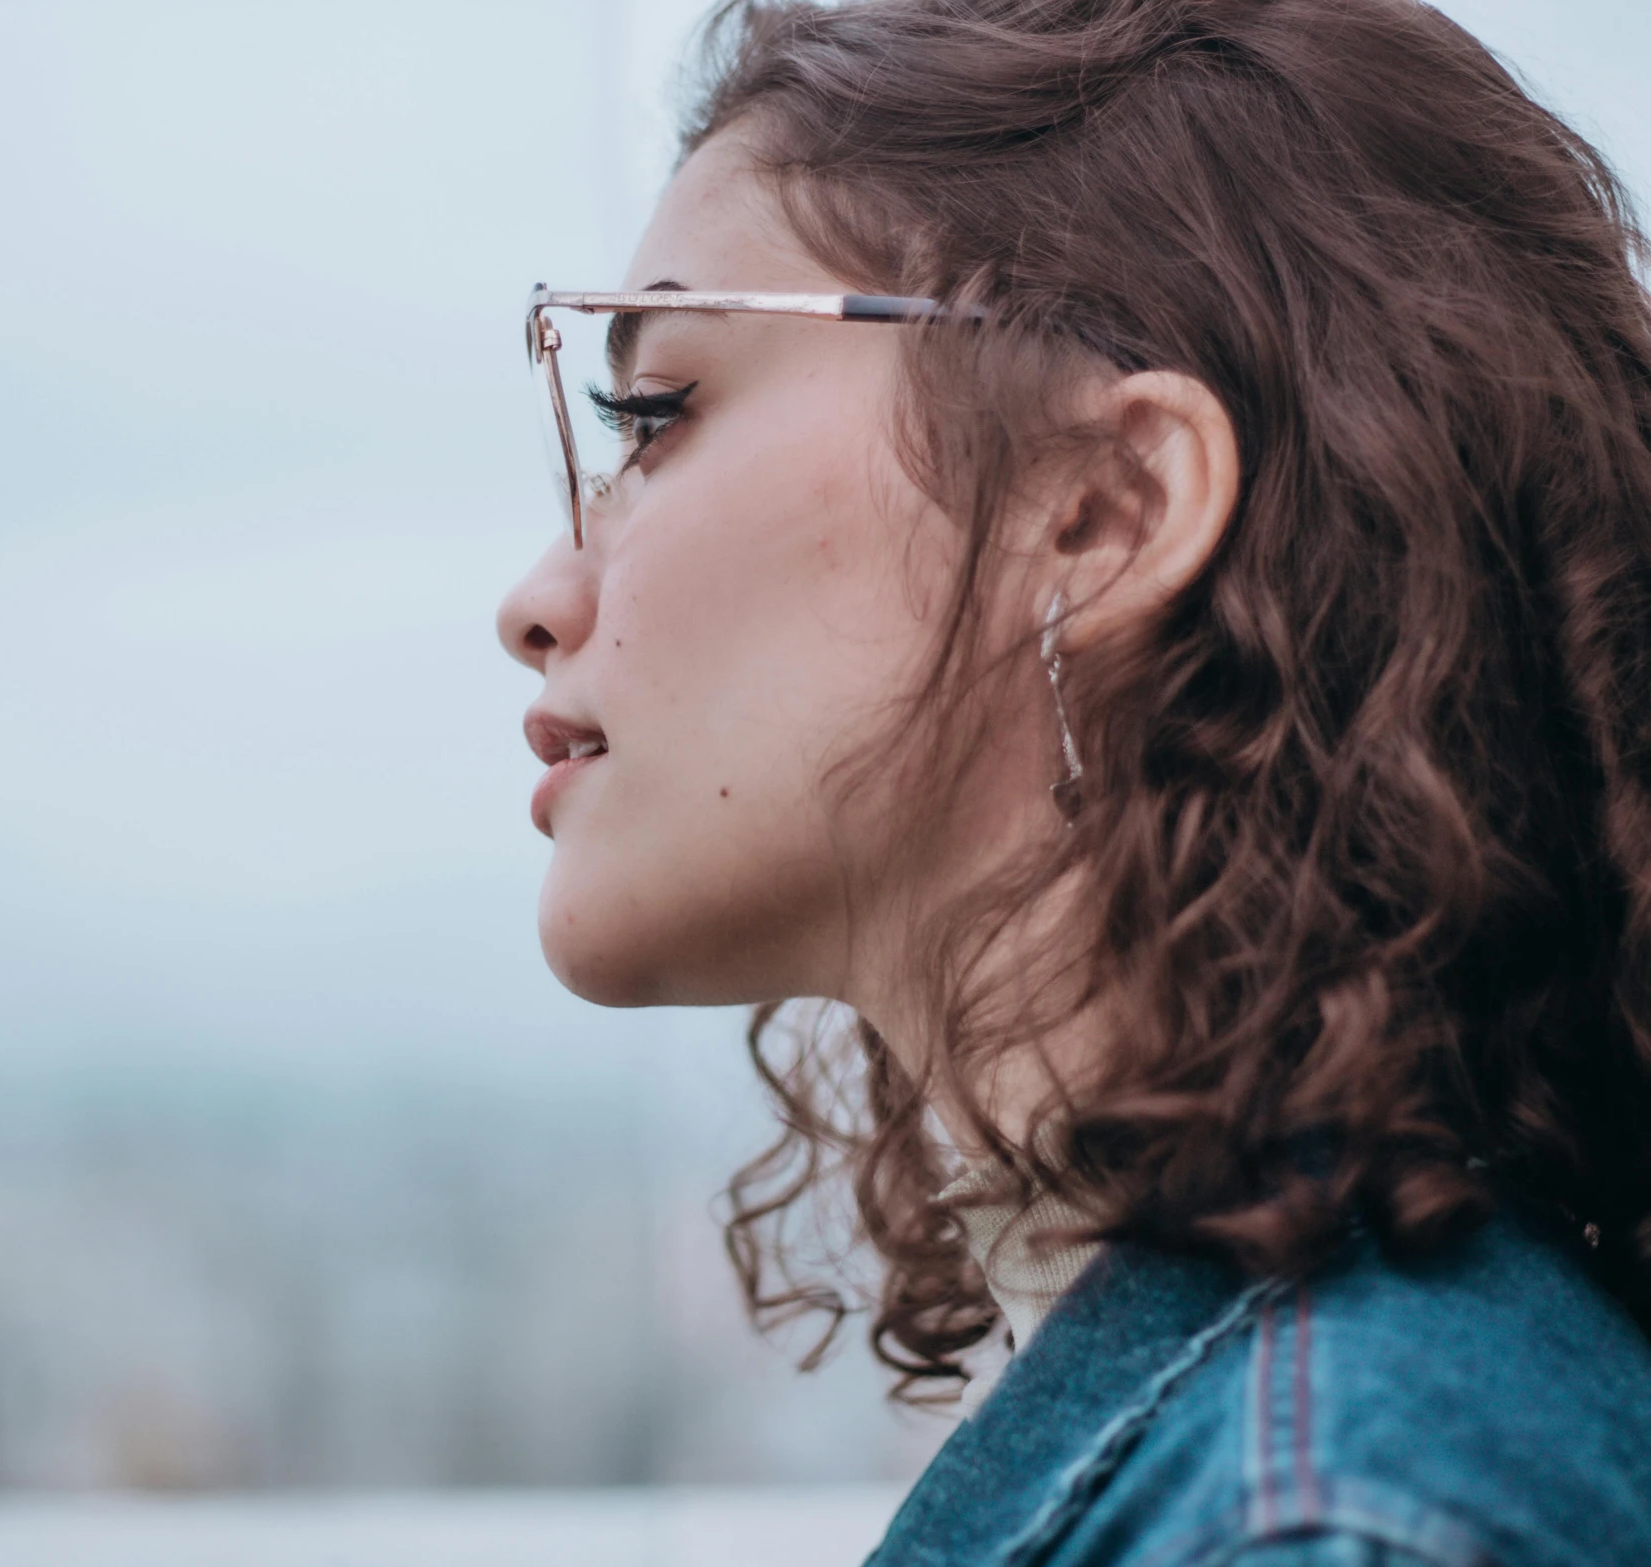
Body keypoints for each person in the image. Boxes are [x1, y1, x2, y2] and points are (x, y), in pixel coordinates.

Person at [495, 1, 1651, 1562]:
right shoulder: (1316, 1439)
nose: (536, 595)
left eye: (655, 412)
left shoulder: (1320, 1518)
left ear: (1105, 510)